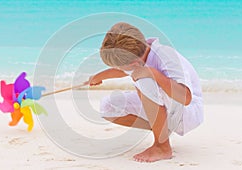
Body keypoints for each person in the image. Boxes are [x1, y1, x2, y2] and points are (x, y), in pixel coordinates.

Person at [87, 22, 203, 163]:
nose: (119, 68)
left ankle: (162, 147)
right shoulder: (140, 53)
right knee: (108, 107)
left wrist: (153, 73)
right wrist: (98, 77)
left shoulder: (165, 55)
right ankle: (160, 129)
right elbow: (123, 70)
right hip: (168, 108)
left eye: (120, 66)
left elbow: (186, 98)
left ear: (135, 62)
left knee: (144, 79)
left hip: (187, 111)